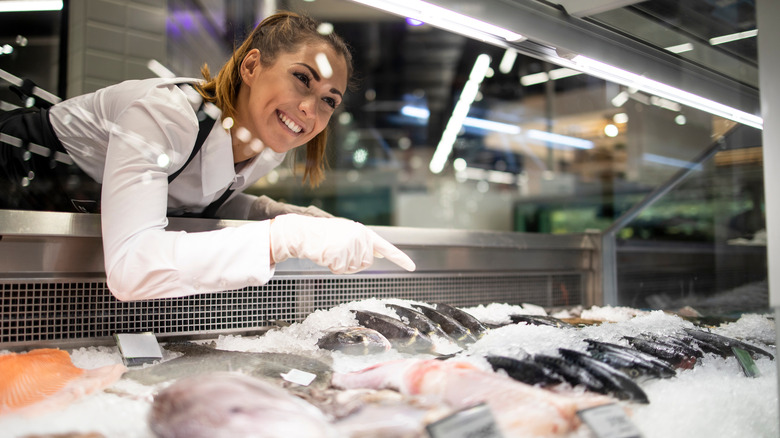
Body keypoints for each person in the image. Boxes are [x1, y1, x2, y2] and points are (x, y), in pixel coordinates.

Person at [0, 11, 415, 301]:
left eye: (329, 100)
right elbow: (130, 270)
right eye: (302, 79)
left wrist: (280, 213)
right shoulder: (166, 116)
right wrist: (283, 238)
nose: (310, 109)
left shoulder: (267, 146)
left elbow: (193, 190)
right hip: (15, 185)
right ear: (252, 67)